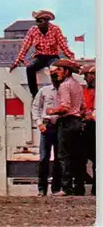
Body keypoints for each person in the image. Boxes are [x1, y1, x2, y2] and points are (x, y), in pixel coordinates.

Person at [10, 10, 74, 98]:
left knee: (55, 69)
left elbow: (63, 45)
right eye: (37, 21)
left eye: (40, 21)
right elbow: (25, 46)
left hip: (52, 56)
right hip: (39, 56)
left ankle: (59, 92)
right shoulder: (33, 30)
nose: (38, 24)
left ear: (47, 21)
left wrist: (72, 59)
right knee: (30, 68)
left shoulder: (55, 29)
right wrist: (16, 62)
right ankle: (35, 95)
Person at [46, 59, 85, 196]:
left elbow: (65, 107)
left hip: (67, 122)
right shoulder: (78, 85)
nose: (57, 72)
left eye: (60, 70)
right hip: (78, 121)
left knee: (64, 156)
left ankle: (66, 187)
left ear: (66, 71)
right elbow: (83, 107)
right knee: (78, 156)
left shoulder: (64, 86)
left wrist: (52, 111)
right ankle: (79, 187)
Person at [31, 68, 62, 196]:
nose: (54, 79)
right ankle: (42, 188)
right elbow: (35, 107)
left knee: (59, 158)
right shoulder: (45, 91)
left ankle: (56, 188)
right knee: (44, 158)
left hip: (61, 125)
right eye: (53, 76)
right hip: (47, 125)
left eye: (56, 76)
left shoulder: (64, 91)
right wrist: (39, 123)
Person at [80, 64, 96, 195]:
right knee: (81, 158)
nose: (86, 78)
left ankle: (96, 187)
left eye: (87, 75)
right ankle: (80, 186)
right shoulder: (84, 91)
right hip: (86, 126)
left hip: (95, 126)